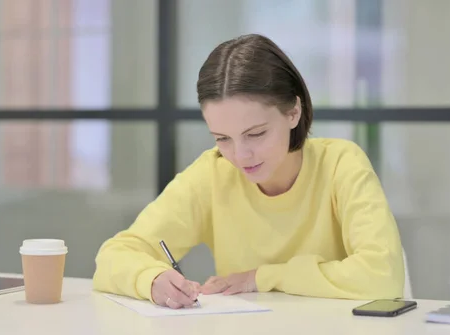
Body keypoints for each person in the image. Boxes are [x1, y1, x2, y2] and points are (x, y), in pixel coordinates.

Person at [92, 34, 405, 309]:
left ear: (293, 111)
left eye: (256, 134)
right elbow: (115, 255)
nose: (240, 156)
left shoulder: (341, 164)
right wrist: (151, 278)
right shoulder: (212, 174)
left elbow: (382, 276)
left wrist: (262, 277)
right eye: (222, 138)